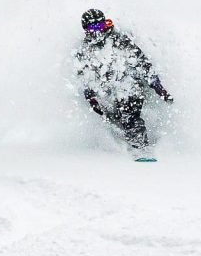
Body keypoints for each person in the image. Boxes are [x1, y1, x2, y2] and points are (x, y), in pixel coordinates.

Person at [72, 8, 172, 153]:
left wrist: (158, 87)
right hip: (107, 91)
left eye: (99, 26)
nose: (97, 31)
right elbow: (85, 77)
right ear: (86, 30)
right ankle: (124, 139)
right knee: (114, 117)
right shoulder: (85, 51)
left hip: (129, 84)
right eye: (92, 28)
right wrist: (91, 98)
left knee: (129, 110)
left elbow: (143, 64)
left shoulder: (120, 41)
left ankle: (140, 145)